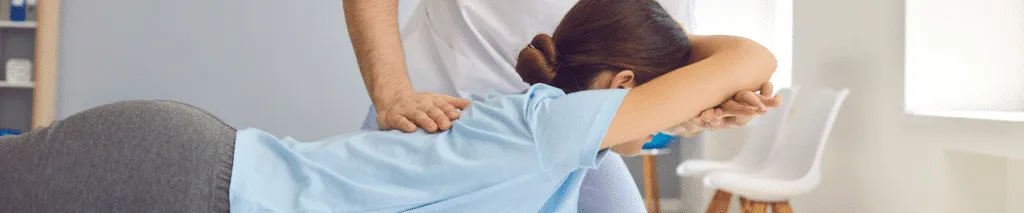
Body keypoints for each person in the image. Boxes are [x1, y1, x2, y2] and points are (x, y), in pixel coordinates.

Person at [0, 0, 779, 212]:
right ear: (615, 91)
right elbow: (750, 58)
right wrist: (703, 76)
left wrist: (688, 93)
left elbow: (716, 72)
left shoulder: (554, 142)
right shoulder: (553, 129)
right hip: (184, 179)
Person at [344, 0, 775, 211]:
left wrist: (698, 99)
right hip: (444, 114)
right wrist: (393, 93)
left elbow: (662, 41)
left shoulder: (572, 122)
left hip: (573, 117)